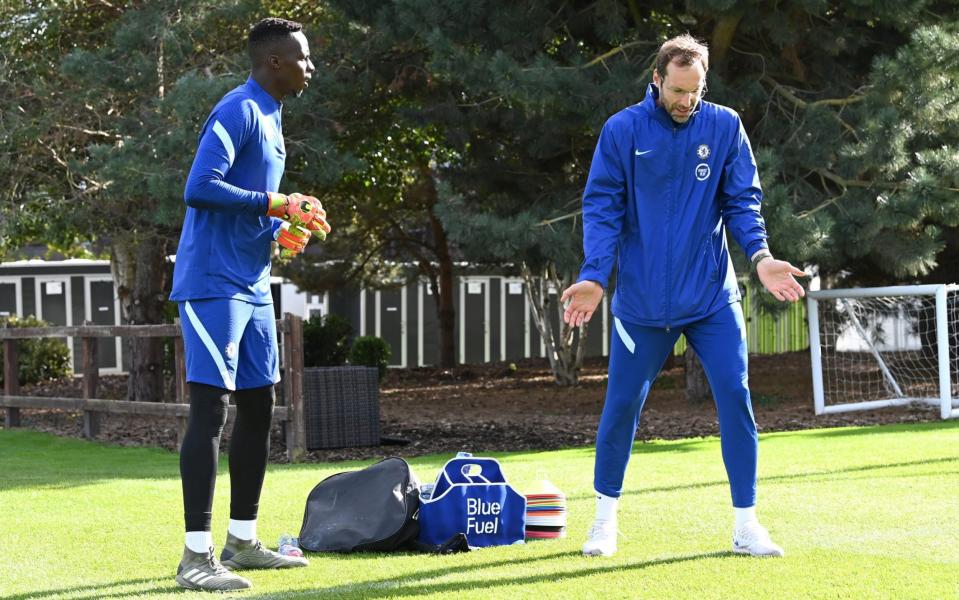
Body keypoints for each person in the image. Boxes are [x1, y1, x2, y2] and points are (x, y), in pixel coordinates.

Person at [560, 34, 805, 559]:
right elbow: (602, 207)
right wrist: (595, 276)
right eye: (677, 90)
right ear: (656, 79)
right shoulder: (622, 130)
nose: (686, 101)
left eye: (695, 91)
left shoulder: (724, 126)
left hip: (711, 298)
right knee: (622, 406)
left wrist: (760, 259)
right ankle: (604, 522)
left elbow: (743, 201)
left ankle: (746, 525)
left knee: (736, 399)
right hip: (643, 304)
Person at [168, 17, 331, 591]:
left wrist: (281, 226)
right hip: (212, 284)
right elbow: (199, 187)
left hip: (252, 282)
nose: (311, 67)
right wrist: (274, 203)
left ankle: (242, 541)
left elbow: (256, 206)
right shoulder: (238, 109)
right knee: (211, 410)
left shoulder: (274, 115)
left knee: (259, 406)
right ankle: (195, 556)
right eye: (303, 57)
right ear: (275, 62)